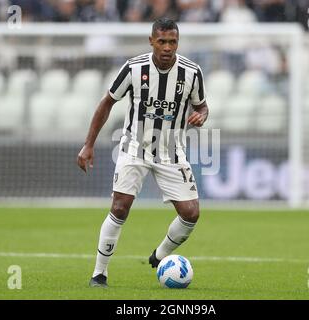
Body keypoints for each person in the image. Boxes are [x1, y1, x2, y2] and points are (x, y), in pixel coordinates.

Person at [77, 18, 209, 287]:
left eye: (172, 42)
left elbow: (202, 106)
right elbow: (107, 103)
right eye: (162, 41)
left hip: (171, 152)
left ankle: (160, 255)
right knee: (119, 207)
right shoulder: (133, 68)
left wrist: (201, 115)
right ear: (151, 41)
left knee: (191, 213)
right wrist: (88, 144)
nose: (167, 47)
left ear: (177, 43)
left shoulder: (192, 72)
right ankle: (99, 274)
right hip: (134, 148)